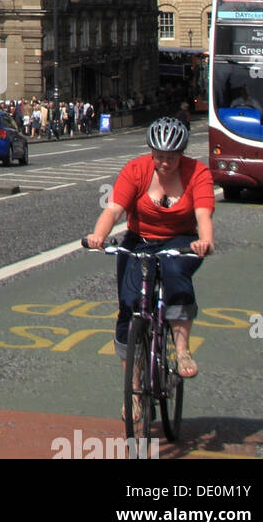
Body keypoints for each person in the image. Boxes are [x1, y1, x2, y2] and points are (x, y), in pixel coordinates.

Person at [85, 117, 214, 384]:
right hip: (139, 239)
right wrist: (99, 236)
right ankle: (132, 389)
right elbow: (114, 209)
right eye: (159, 156)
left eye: (171, 157)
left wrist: (205, 241)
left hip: (180, 239)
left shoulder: (197, 173)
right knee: (129, 305)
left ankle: (181, 350)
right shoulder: (136, 170)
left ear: (182, 154)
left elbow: (203, 215)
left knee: (175, 271)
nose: (165, 162)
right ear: (151, 152)